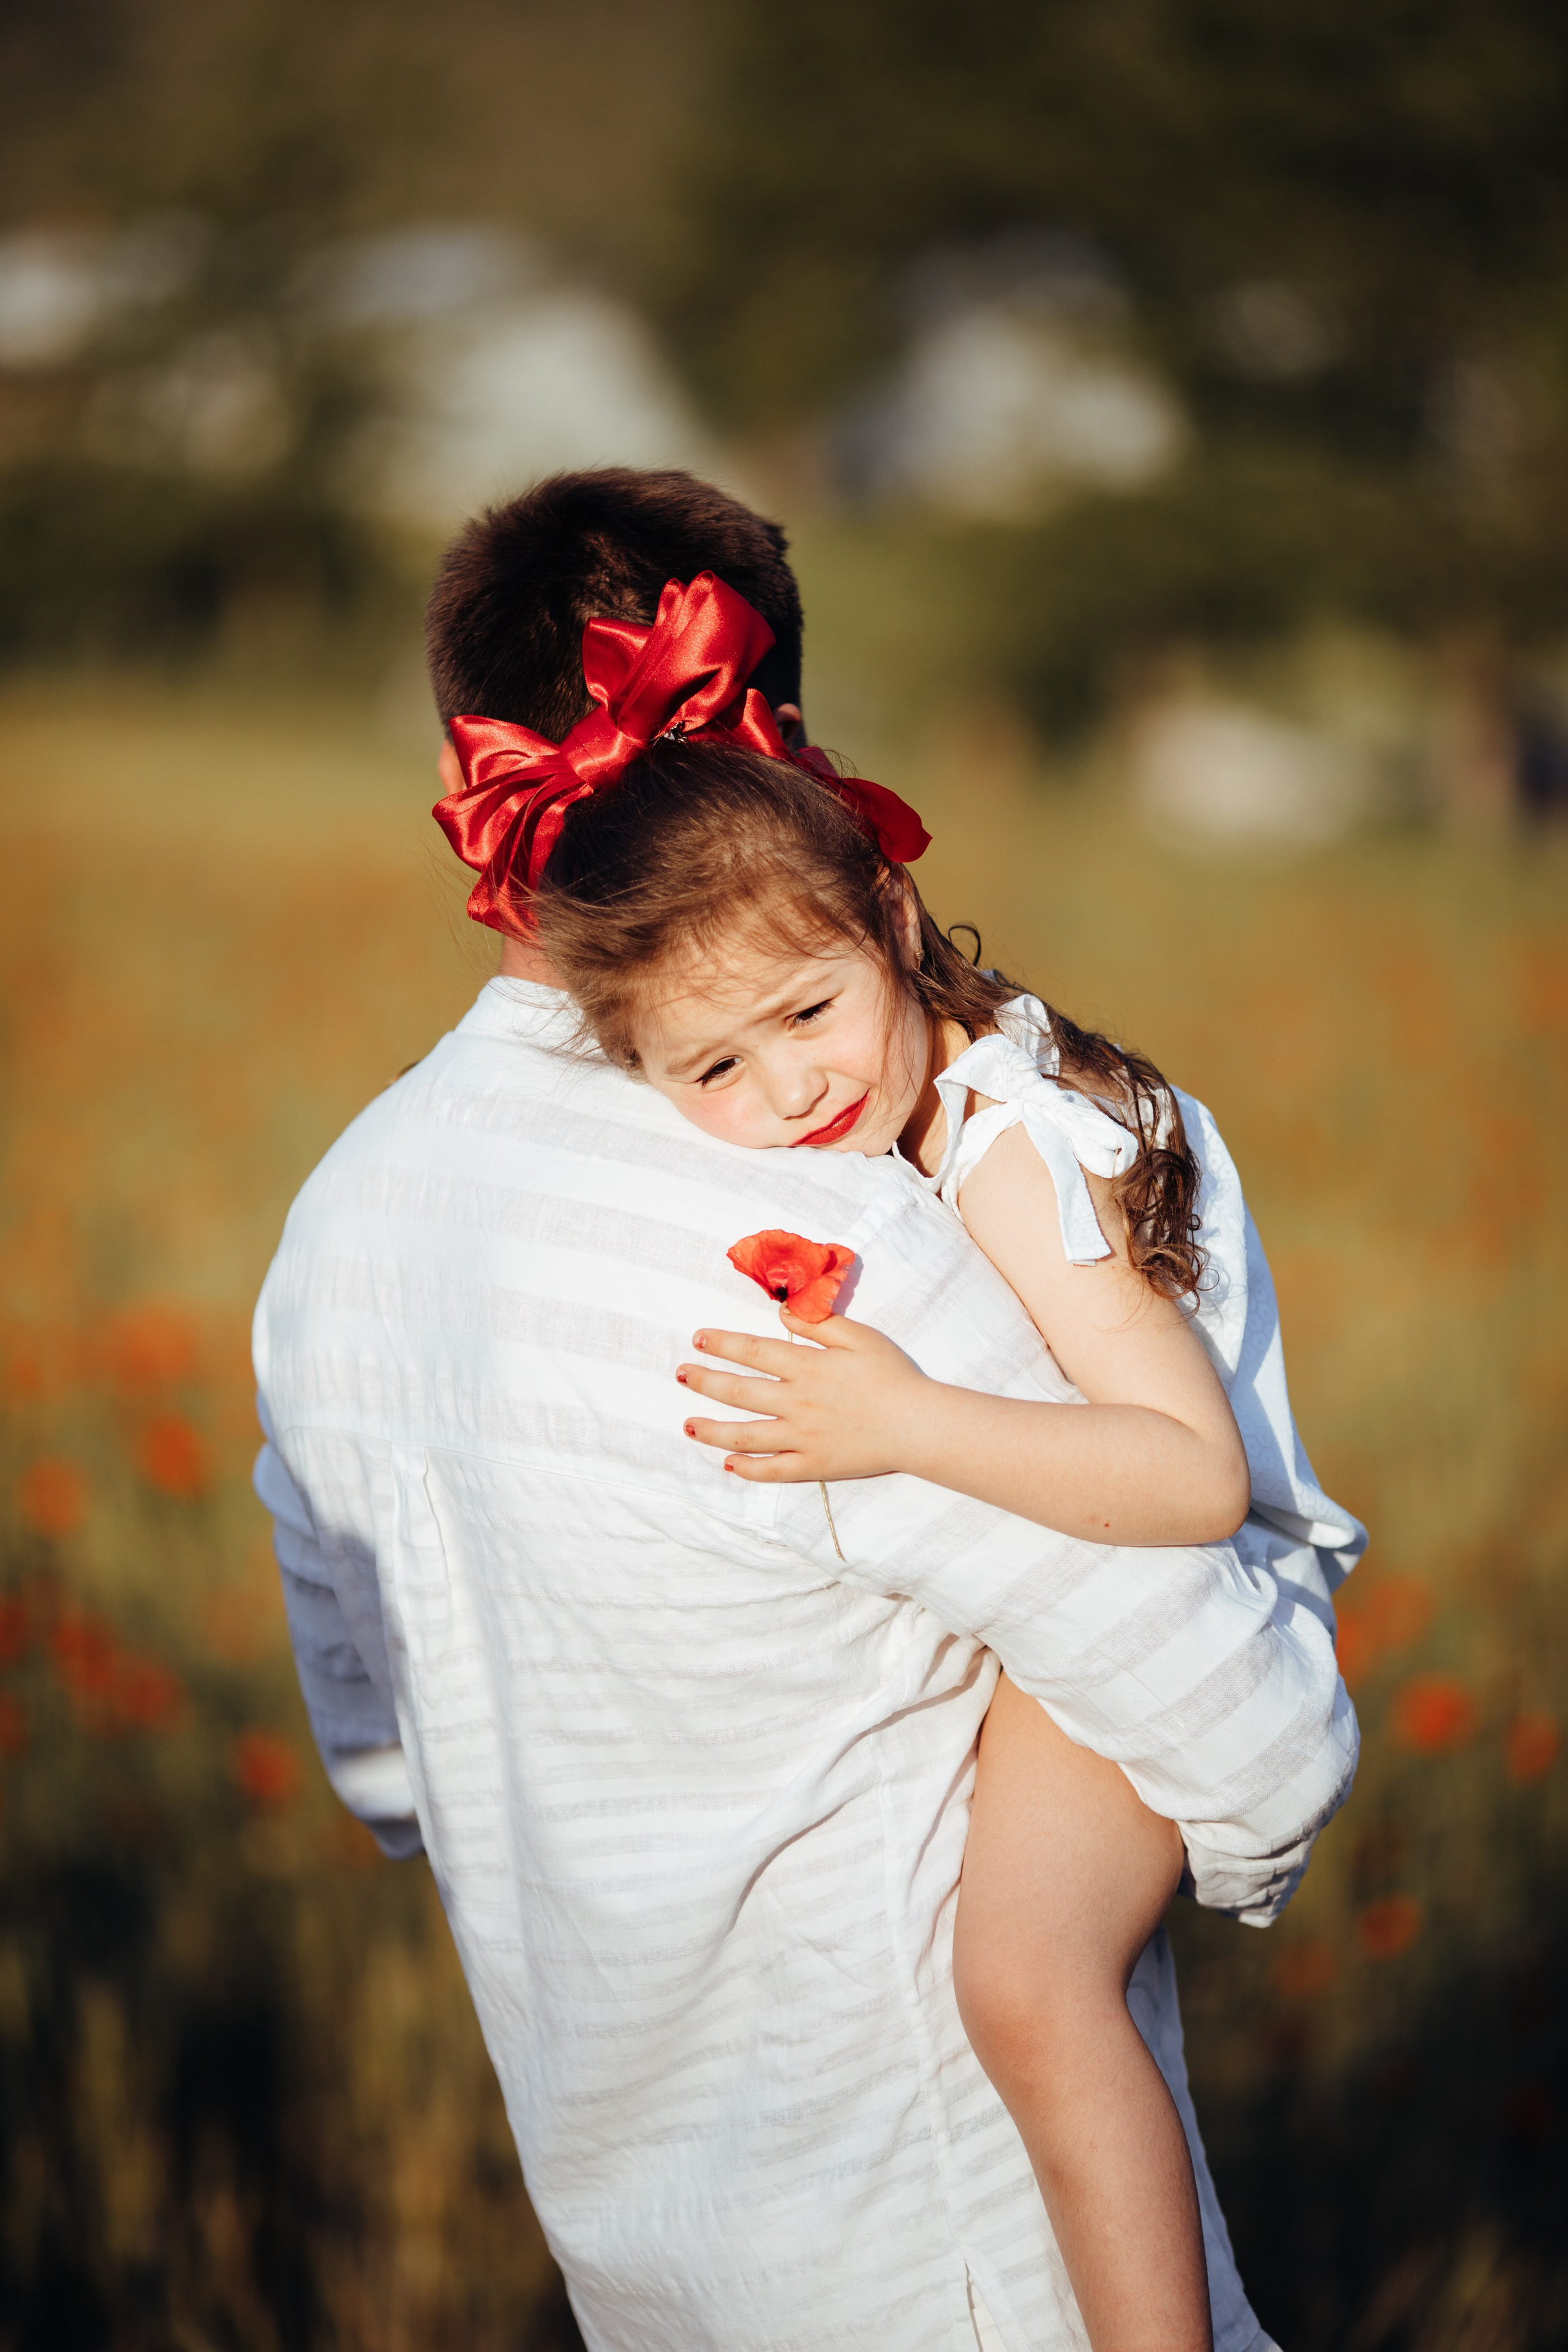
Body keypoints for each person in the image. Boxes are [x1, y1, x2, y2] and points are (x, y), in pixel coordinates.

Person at [254, 469, 1359, 2352]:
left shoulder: (333, 1233)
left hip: (639, 2243)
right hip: (952, 2258)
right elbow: (1249, 1737)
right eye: (725, 1050)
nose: (775, 1079)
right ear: (764, 733)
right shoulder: (812, 1245)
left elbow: (386, 1768)